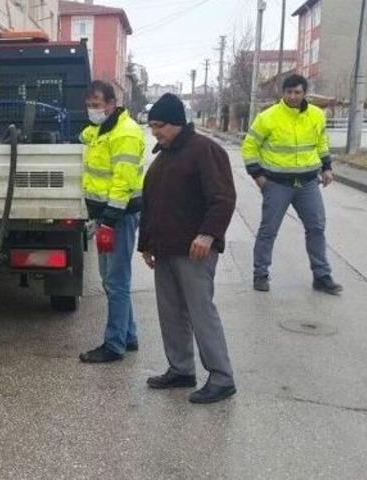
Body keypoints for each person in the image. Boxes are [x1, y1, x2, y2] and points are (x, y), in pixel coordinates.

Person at [139, 93, 237, 404]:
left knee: (200, 312)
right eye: (152, 125)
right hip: (165, 248)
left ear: (178, 123)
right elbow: (151, 203)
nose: (155, 131)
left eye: (160, 126)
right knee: (171, 312)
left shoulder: (204, 150)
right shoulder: (165, 155)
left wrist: (208, 234)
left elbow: (222, 198)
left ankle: (222, 377)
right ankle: (181, 369)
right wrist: (146, 245)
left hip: (194, 250)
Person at [241, 74, 342, 295]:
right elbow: (249, 147)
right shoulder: (268, 117)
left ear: (305, 93)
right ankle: (260, 274)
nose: (293, 96)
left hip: (307, 184)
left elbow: (321, 143)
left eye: (297, 92)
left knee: (316, 228)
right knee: (268, 230)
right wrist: (258, 176)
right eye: (289, 92)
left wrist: (327, 168)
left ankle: (322, 276)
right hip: (277, 184)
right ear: (283, 93)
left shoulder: (316, 115)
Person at [77, 81, 146, 364]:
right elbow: (86, 135)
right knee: (111, 280)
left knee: (116, 282)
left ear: (112, 104)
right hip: (107, 214)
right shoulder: (101, 130)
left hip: (119, 215)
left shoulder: (125, 134)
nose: (93, 110)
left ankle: (114, 345)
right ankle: (128, 335)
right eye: (89, 105)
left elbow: (122, 182)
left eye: (97, 104)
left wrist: (108, 222)